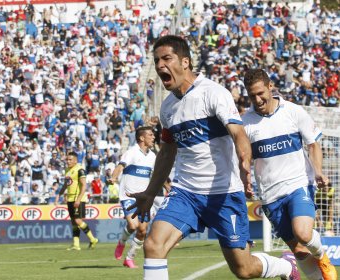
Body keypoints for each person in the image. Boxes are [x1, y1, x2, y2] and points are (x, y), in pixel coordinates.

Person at [127, 35, 299, 280]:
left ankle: (285, 266)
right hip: (185, 192)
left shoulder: (213, 93)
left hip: (224, 192)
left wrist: (244, 163)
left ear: (185, 62)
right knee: (153, 245)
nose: (160, 66)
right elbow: (166, 152)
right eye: (156, 61)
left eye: (167, 58)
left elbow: (238, 133)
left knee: (243, 269)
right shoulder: (167, 108)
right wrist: (150, 191)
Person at [242, 69, 337, 280]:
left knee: (303, 233)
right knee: (299, 251)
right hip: (270, 195)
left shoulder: (293, 111)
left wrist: (319, 171)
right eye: (251, 96)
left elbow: (313, 143)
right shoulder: (245, 123)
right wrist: (245, 179)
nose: (257, 99)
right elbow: (244, 157)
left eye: (260, 93)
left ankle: (322, 255)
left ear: (270, 87)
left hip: (298, 184)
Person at [111, 126, 156, 268]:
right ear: (142, 138)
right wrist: (113, 177)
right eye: (150, 134)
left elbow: (159, 175)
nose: (153, 137)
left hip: (144, 198)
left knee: (142, 230)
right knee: (133, 225)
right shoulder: (131, 152)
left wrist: (169, 187)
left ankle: (129, 258)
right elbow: (120, 166)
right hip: (128, 195)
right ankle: (122, 242)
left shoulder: (152, 156)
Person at [55, 152, 98, 251]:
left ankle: (93, 239)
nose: (68, 161)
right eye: (67, 159)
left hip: (78, 199)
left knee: (78, 220)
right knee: (74, 222)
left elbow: (84, 186)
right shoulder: (67, 170)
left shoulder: (80, 170)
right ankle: (76, 245)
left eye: (70, 160)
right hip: (70, 199)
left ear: (75, 160)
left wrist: (78, 199)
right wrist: (59, 194)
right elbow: (66, 185)